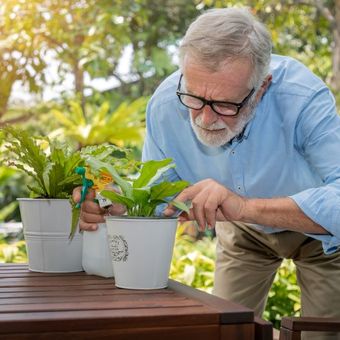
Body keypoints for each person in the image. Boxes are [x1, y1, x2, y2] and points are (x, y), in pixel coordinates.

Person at [74, 7, 340, 339]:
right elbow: (161, 195)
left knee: (323, 333)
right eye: (194, 97)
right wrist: (118, 206)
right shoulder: (165, 105)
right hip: (243, 232)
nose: (205, 118)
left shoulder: (303, 98)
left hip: (321, 235)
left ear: (262, 87)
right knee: (223, 329)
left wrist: (243, 207)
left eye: (226, 104)